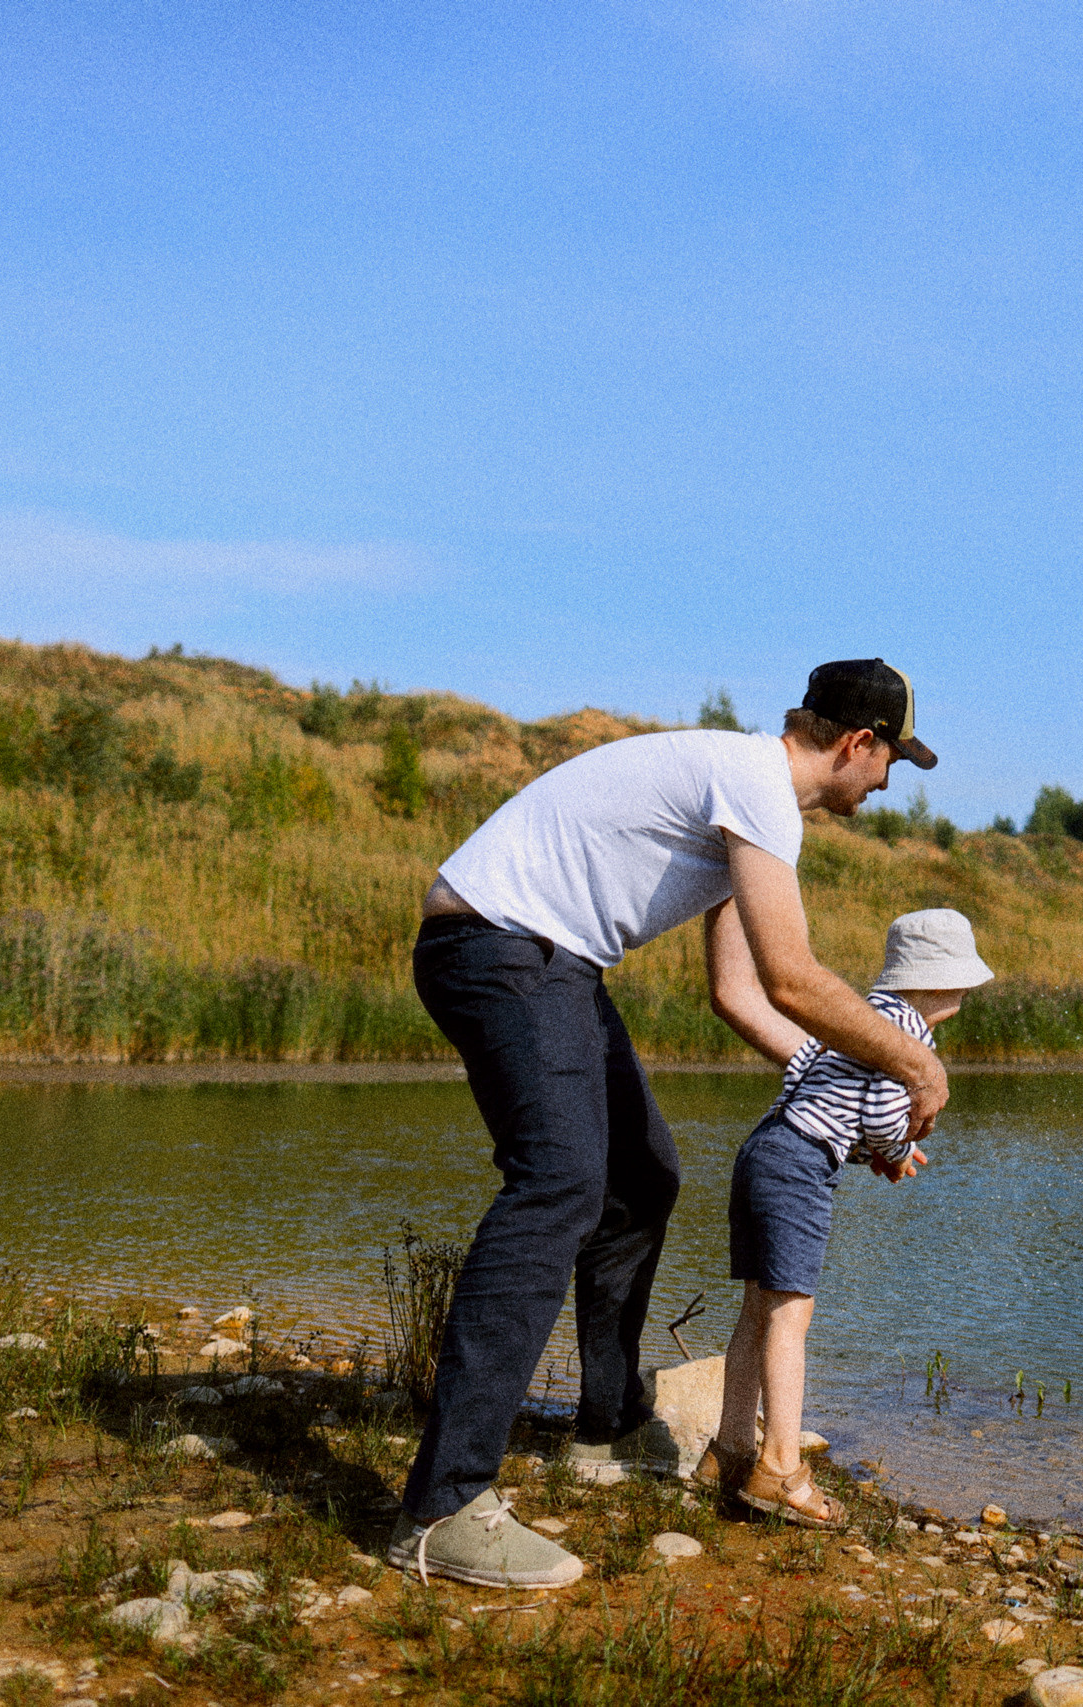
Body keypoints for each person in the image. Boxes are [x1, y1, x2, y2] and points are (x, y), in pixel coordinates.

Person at [389, 659, 950, 1589]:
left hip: (543, 954)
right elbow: (793, 979)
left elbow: (737, 992)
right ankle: (443, 1504)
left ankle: (608, 1426)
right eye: (892, 760)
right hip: (501, 942)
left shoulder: (749, 801)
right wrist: (914, 1060)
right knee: (559, 1182)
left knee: (642, 1176)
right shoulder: (757, 784)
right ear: (859, 743)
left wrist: (857, 1118)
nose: (888, 783)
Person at [705, 908, 995, 1527]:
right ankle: (781, 1468)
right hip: (801, 1165)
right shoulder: (906, 1033)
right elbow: (887, 1110)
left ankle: (729, 1451)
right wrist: (891, 1150)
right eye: (964, 981)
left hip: (765, 1147)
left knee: (756, 1308)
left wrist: (866, 1145)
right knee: (792, 1313)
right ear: (942, 982)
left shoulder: (855, 1018)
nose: (968, 992)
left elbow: (820, 1084)